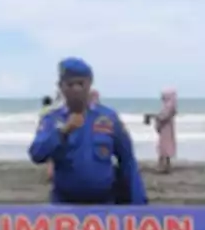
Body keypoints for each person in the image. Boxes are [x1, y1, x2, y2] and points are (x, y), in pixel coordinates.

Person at [29, 57, 148, 205]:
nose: (76, 90)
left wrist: (139, 205)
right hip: (65, 205)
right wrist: (63, 132)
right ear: (61, 87)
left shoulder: (108, 118)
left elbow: (128, 161)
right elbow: (37, 154)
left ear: (90, 84)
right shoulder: (52, 119)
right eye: (70, 85)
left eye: (81, 84)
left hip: (104, 204)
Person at [153, 88, 178, 173]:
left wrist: (156, 118)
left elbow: (163, 117)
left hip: (165, 129)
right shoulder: (170, 106)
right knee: (165, 147)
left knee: (164, 147)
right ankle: (166, 166)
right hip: (167, 129)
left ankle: (163, 166)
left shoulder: (169, 106)